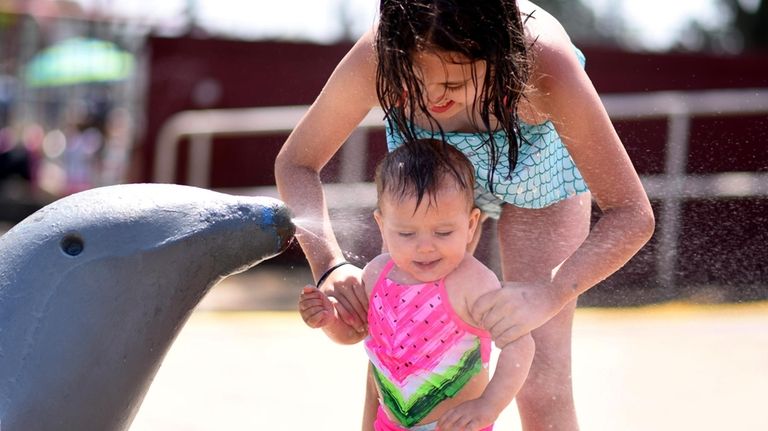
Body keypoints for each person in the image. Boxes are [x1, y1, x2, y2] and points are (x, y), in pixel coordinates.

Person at [275, 1, 655, 429]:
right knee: (395, 346)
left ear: (498, 56)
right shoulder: (381, 55)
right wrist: (329, 265)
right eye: (415, 80)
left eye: (453, 82)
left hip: (538, 177)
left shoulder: (547, 65)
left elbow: (632, 213)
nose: (435, 97)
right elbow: (296, 163)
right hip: (430, 189)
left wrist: (547, 294)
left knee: (539, 375)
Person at [299, 139, 535, 431]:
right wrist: (330, 320)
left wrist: (488, 405)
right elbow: (355, 332)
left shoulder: (473, 283)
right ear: (382, 225)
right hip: (389, 424)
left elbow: (520, 344)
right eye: (407, 233)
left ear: (471, 224)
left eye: (443, 232)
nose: (425, 247)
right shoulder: (376, 275)